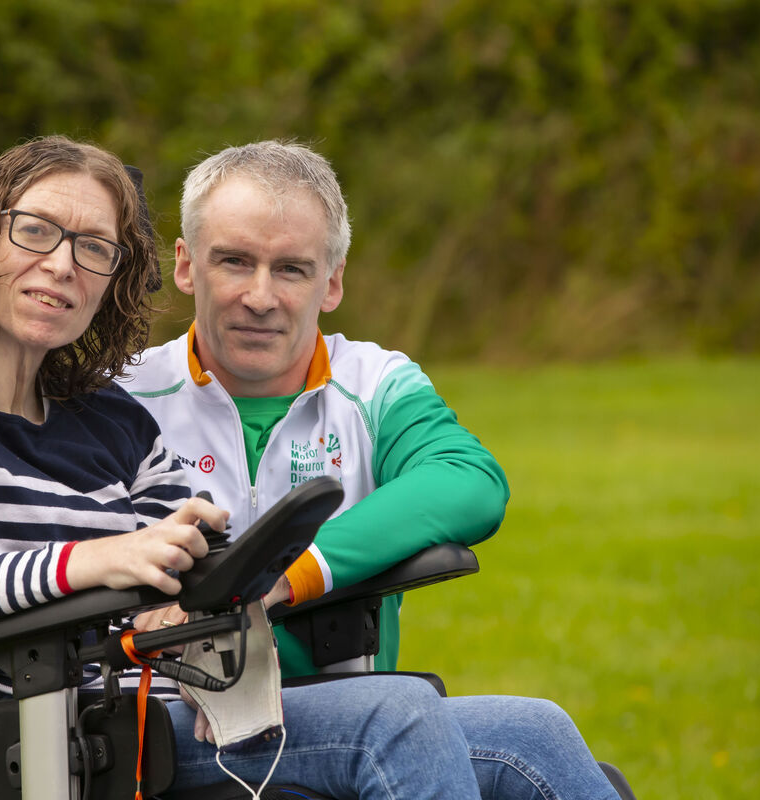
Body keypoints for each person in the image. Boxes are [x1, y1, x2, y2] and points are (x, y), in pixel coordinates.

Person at [0, 135, 618, 799]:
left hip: (199, 701)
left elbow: (200, 564)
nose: (63, 266)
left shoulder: (110, 419)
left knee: (535, 731)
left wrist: (203, 598)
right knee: (396, 712)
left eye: (94, 248)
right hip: (68, 729)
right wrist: (98, 562)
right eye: (36, 232)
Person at [120, 140, 622, 798]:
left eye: (292, 269)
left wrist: (282, 578)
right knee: (407, 719)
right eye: (235, 262)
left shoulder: (374, 381)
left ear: (333, 282)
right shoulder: (123, 395)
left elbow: (469, 480)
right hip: (170, 717)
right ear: (185, 265)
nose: (261, 296)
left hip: (344, 708)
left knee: (540, 734)